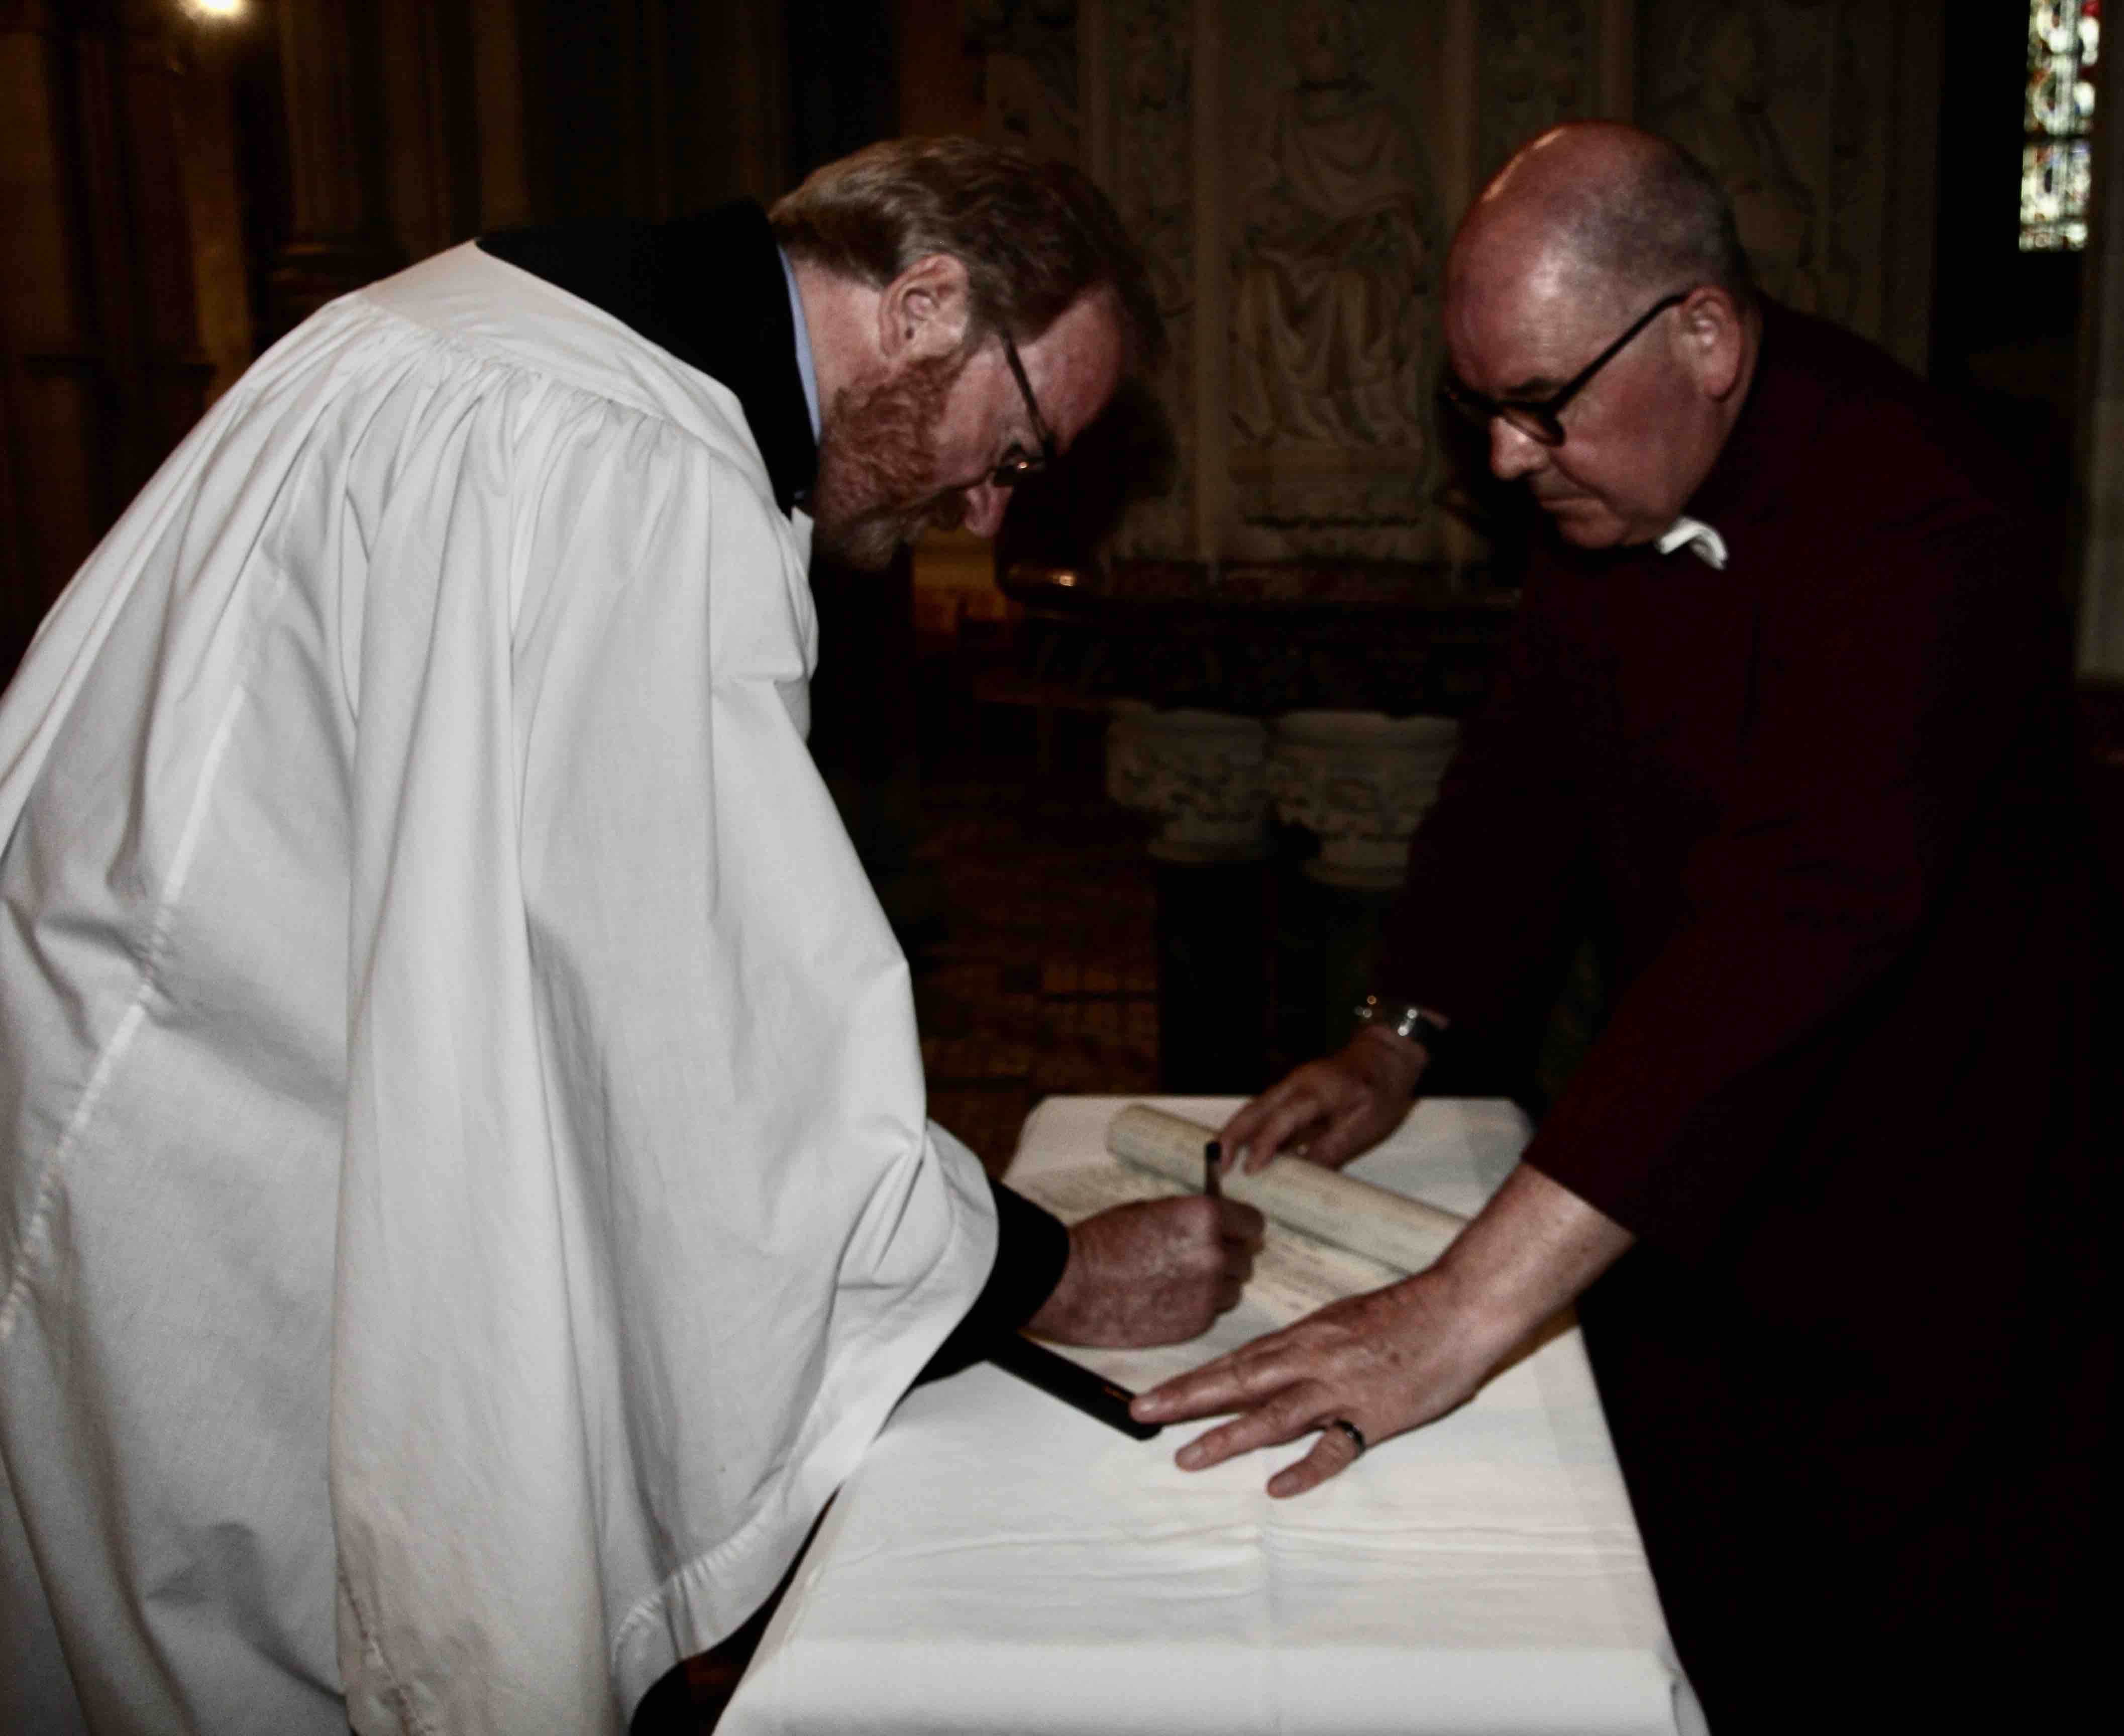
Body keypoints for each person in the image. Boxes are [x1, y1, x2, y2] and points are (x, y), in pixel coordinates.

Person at [0, 136, 1263, 1735]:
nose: (985, 502)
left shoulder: (446, 324)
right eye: (1013, 446)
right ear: (926, 304)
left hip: (124, 1075)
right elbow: (704, 1044)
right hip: (242, 1194)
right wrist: (1030, 1271)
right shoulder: (637, 459)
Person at [1134, 123, 2112, 1728]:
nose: (1508, 460)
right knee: (1682, 1584)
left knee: (1921, 1641)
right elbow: (1523, 782)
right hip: (1713, 1160)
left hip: (1950, 1196)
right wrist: (1397, 1036)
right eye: (1484, 413)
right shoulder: (1612, 485)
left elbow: (1795, 918)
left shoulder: (1928, 516)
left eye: (1537, 406)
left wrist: (1460, 1307)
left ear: (1704, 337)